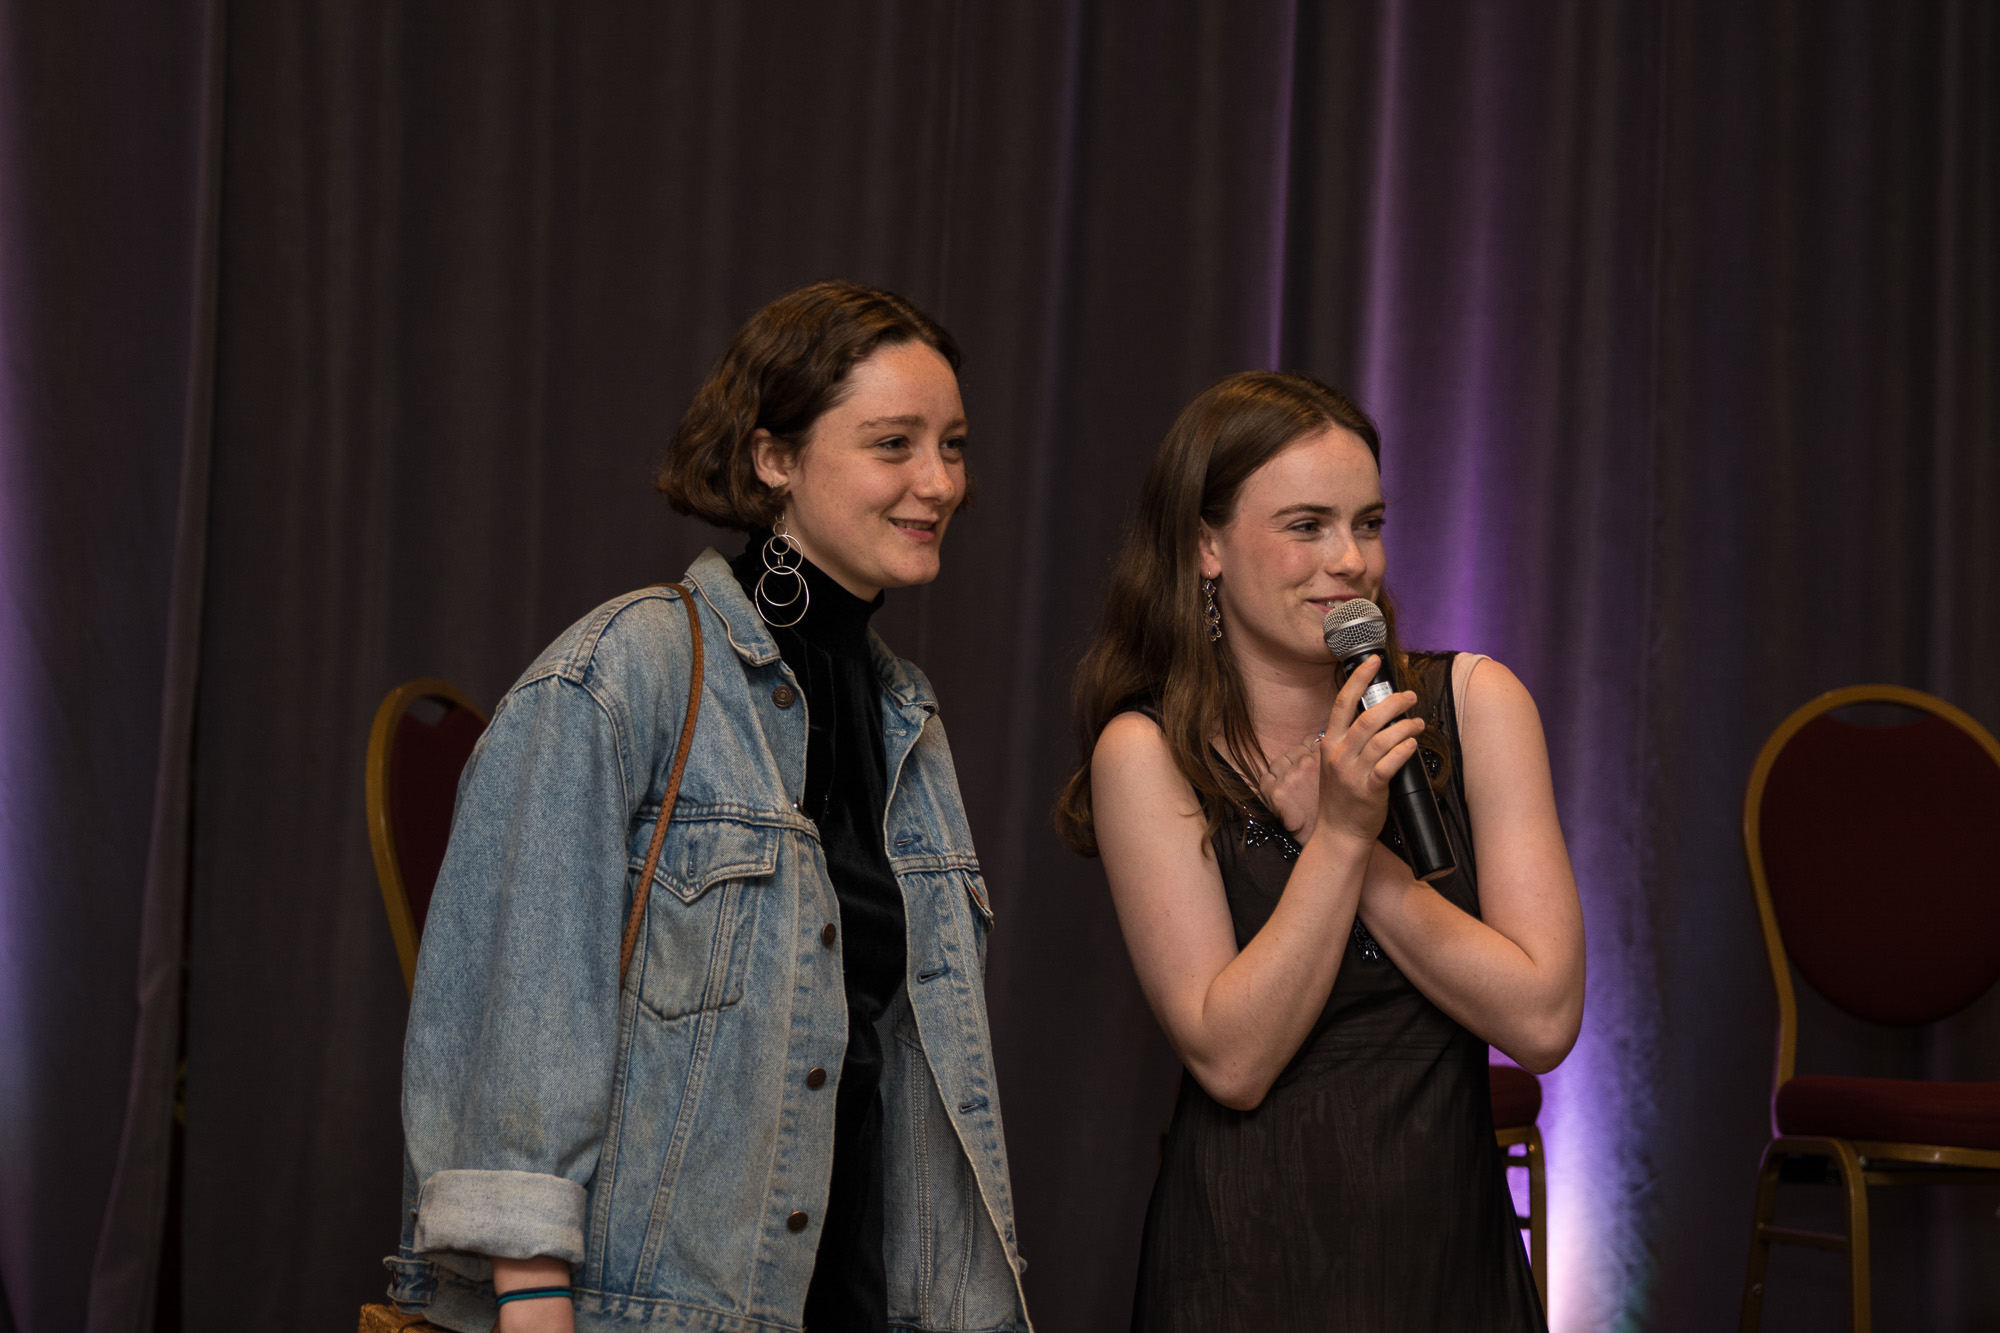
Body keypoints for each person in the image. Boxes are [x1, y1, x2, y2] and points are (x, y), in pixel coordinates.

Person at [388, 282, 1031, 1333]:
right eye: (892, 444)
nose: (938, 482)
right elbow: (519, 1038)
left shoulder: (906, 718)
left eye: (952, 445)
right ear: (773, 458)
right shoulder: (619, 674)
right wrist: (533, 1311)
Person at [1056, 371, 1584, 1332]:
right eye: (1306, 525)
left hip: (1445, 1251)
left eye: (1368, 523)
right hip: (1247, 1258)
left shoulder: (1476, 704)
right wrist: (1338, 836)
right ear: (1205, 545)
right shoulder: (1147, 752)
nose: (1350, 560)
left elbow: (1544, 1019)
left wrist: (1366, 859)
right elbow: (1232, 1058)